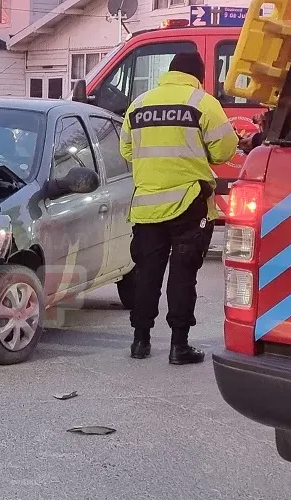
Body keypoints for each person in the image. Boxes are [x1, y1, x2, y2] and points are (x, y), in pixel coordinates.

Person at [119, 52, 238, 365]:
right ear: (198, 76)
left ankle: (140, 342)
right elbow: (225, 149)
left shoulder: (139, 104)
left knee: (147, 275)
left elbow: (126, 150)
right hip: (188, 204)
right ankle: (178, 346)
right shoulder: (203, 103)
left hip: (146, 207)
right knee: (183, 275)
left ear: (169, 73)